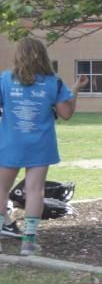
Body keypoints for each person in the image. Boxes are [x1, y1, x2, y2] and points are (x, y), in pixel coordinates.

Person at [0, 37, 86, 258]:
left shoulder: (5, 80)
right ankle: (28, 242)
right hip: (40, 144)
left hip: (10, 142)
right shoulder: (53, 82)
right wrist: (75, 89)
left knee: (1, 189)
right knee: (35, 190)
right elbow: (66, 114)